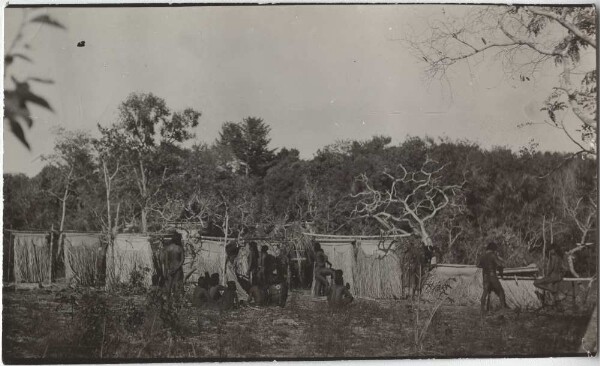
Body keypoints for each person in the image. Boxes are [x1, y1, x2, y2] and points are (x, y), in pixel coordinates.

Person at [477, 242, 508, 313]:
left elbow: (478, 265)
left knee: (485, 292)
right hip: (492, 276)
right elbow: (499, 264)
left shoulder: (482, 255)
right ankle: (503, 308)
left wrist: (485, 266)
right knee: (500, 291)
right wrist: (501, 262)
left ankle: (482, 309)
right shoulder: (493, 255)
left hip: (485, 276)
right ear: (493, 248)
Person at [161, 229, 184, 299]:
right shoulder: (180, 248)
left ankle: (168, 301)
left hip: (170, 268)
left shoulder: (168, 248)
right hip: (178, 269)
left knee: (169, 286)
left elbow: (166, 260)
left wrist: (168, 269)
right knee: (177, 285)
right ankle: (176, 302)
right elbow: (182, 260)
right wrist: (177, 268)